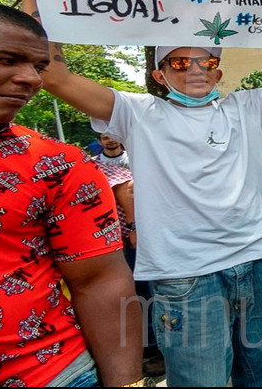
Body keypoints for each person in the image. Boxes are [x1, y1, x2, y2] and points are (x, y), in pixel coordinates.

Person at [4, 0, 262, 386]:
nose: (195, 70)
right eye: (180, 63)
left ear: (218, 73)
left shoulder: (247, 107)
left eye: (207, 62)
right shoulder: (136, 113)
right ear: (160, 75)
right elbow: (54, 76)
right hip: (186, 277)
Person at [0, 0, 143, 386]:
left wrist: (127, 383)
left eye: (38, 66)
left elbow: (101, 283)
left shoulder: (58, 164)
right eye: (5, 60)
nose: (32, 79)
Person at [92, 159, 165, 377]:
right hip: (99, 248)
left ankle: (153, 350)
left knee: (139, 294)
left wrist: (133, 227)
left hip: (125, 242)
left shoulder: (85, 166)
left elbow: (126, 187)